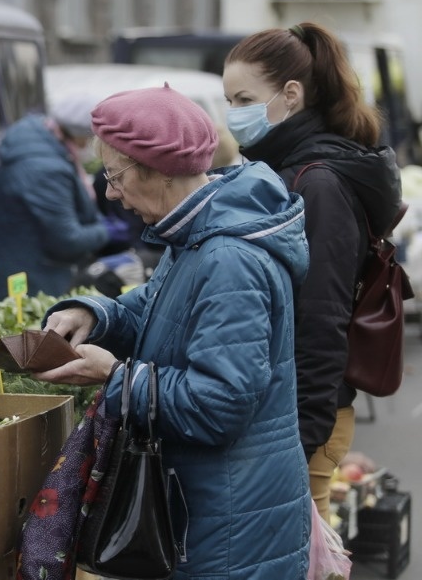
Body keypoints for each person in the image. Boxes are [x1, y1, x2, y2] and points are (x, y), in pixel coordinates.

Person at [35, 85, 311, 577]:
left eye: (115, 176)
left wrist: (117, 377)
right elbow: (156, 313)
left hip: (227, 532)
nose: (110, 193)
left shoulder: (228, 259)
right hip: (212, 512)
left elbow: (219, 403)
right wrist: (94, 315)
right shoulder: (196, 236)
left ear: (159, 170)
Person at [222, 22, 403, 521]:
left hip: (302, 419)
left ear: (291, 95)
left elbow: (321, 316)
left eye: (242, 99)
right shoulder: (291, 169)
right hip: (293, 411)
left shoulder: (316, 182)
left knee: (306, 557)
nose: (232, 114)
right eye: (229, 100)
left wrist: (301, 436)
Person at [0, 95, 130, 310]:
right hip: (22, 287)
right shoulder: (45, 170)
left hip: (15, 270)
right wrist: (105, 232)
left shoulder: (39, 137)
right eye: (91, 140)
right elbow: (67, 240)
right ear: (77, 134)